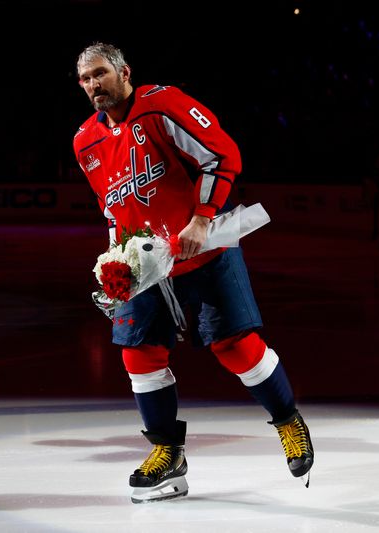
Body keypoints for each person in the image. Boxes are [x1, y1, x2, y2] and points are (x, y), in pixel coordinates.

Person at [73, 42, 314, 503]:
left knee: (234, 347)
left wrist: (203, 217)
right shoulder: (85, 140)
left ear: (124, 72)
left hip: (202, 251)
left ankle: (287, 421)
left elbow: (222, 154)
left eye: (100, 74)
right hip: (142, 264)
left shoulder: (161, 104)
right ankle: (168, 456)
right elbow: (112, 207)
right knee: (138, 354)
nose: (92, 85)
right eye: (84, 79)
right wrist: (113, 261)